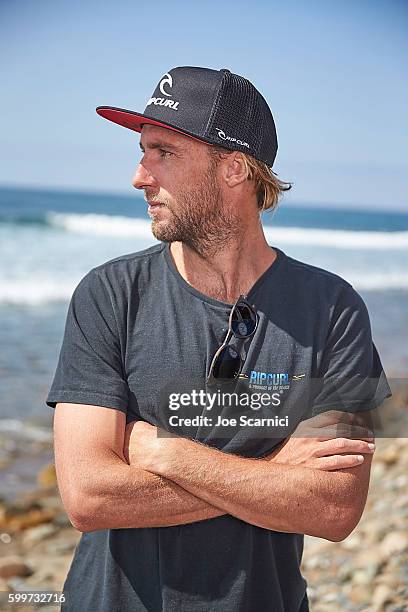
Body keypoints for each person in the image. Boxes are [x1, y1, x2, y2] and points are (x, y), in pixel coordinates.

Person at [46, 66, 391, 612]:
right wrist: (273, 478)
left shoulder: (332, 310)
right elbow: (89, 497)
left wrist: (165, 451)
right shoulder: (109, 295)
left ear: (234, 169)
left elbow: (333, 510)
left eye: (164, 153)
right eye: (143, 152)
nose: (140, 176)